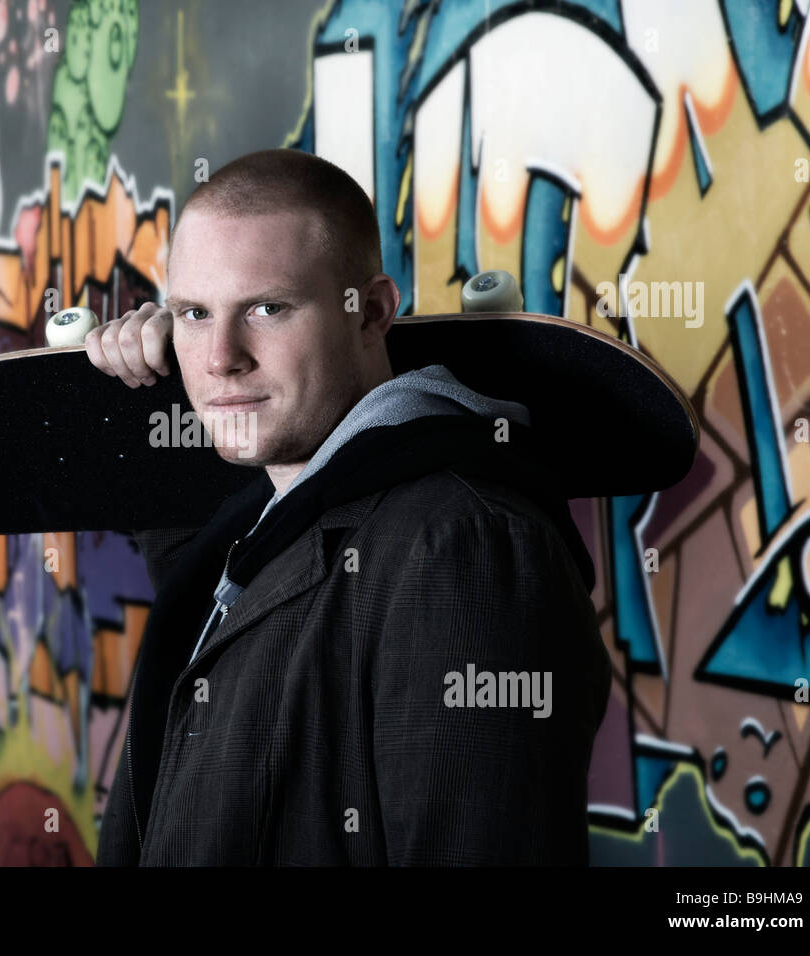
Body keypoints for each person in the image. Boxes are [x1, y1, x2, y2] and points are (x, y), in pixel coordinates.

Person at [85, 147, 612, 865]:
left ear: (371, 313)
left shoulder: (463, 548)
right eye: (194, 313)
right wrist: (139, 402)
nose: (219, 358)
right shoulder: (271, 519)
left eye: (267, 309)